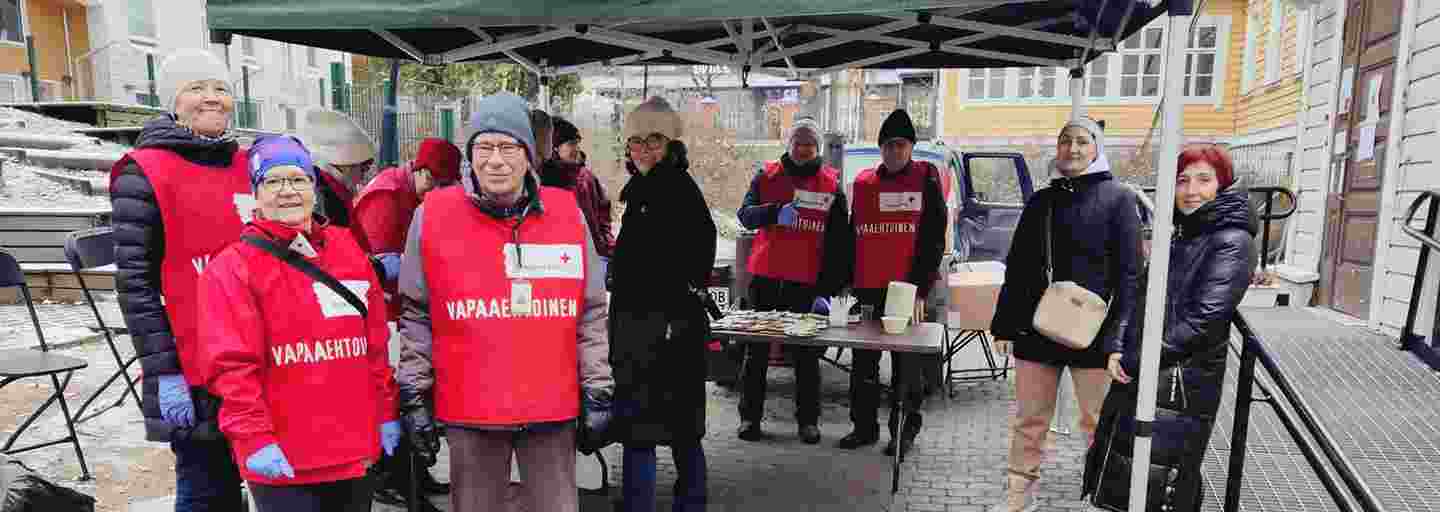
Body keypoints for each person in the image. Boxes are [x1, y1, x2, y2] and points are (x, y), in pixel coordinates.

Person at [395, 92, 613, 512]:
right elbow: (416, 312)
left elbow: (590, 310)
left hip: (552, 403)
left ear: (529, 155)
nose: (496, 160)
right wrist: (414, 392)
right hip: (471, 407)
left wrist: (598, 387)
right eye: (484, 147)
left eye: (508, 147)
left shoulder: (566, 213)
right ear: (470, 155)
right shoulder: (434, 214)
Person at [196, 135, 399, 512]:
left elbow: (374, 343)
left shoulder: (346, 249)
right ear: (255, 195)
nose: (287, 191)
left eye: (298, 179)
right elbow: (231, 368)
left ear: (314, 186)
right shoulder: (232, 268)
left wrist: (386, 412)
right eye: (273, 181)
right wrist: (253, 438)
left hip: (352, 449)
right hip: (286, 457)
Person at [110, 47, 251, 512]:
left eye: (221, 89)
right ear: (172, 101)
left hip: (255, 354)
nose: (211, 98)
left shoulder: (246, 166)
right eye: (196, 88)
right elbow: (136, 284)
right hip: (192, 360)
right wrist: (164, 370)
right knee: (207, 484)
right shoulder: (144, 171)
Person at [1083, 145, 1254, 512]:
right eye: (1183, 181)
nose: (1192, 190)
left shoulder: (1231, 240)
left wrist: (1135, 358)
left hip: (1181, 378)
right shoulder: (1183, 232)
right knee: (1129, 472)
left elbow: (1204, 319)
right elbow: (1139, 292)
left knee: (1163, 482)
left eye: (1204, 180)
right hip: (1150, 367)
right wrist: (1116, 344)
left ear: (1222, 185)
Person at [988, 117, 1142, 512]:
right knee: (1029, 422)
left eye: (1082, 141)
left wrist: (1118, 340)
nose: (1072, 149)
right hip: (1038, 328)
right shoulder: (1042, 200)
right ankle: (1019, 499)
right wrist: (1004, 323)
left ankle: (1103, 497)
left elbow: (1130, 276)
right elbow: (1018, 266)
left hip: (1096, 333)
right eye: (1065, 141)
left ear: (1097, 148)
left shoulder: (1119, 198)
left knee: (1098, 423)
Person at [607, 97, 716, 512]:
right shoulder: (648, 191)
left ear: (671, 143)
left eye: (654, 140)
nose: (644, 150)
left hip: (659, 335)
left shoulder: (669, 190)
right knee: (682, 432)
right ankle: (689, 505)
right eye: (635, 141)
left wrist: (668, 313)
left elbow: (690, 262)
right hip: (663, 332)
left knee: (642, 433)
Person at [350, 137, 461, 510]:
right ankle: (392, 480)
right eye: (439, 183)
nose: (442, 192)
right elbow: (376, 271)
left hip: (407, 310)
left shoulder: (413, 194)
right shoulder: (385, 198)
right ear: (423, 172)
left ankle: (414, 472)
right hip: (389, 317)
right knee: (396, 401)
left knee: (412, 398)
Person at [836, 109, 947, 460]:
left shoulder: (926, 181)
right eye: (887, 145)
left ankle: (903, 433)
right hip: (867, 288)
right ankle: (863, 427)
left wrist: (921, 287)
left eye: (900, 145)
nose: (893, 151)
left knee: (906, 368)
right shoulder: (865, 184)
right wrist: (847, 281)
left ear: (911, 147)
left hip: (906, 292)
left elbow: (933, 242)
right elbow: (854, 236)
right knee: (864, 364)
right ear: (880, 148)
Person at [734, 117, 851, 444]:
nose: (803, 150)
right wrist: (774, 212)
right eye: (798, 144)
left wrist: (828, 292)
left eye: (809, 145)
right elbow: (744, 214)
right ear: (789, 145)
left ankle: (808, 422)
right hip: (766, 277)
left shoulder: (830, 184)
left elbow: (841, 242)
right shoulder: (767, 175)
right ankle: (749, 419)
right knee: (756, 354)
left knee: (805, 356)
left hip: (806, 283)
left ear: (817, 149)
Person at [541, 116, 614, 266]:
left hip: (596, 254)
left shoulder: (587, 177)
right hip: (563, 259)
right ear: (555, 147)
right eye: (571, 144)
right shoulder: (545, 181)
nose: (577, 149)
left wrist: (606, 242)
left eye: (577, 144)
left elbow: (603, 212)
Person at [301, 108, 376, 231]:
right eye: (363, 169)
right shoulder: (323, 193)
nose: (364, 176)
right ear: (347, 165)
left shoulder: (329, 185)